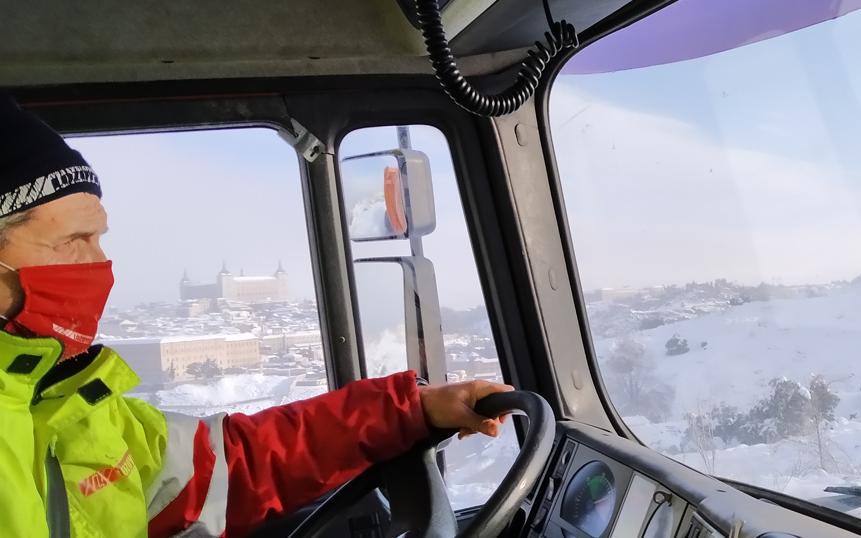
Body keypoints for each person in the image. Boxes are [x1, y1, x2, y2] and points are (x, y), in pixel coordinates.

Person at [0, 95, 510, 537]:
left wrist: (409, 410)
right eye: (72, 241)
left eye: (98, 239)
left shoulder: (67, 403)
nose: (99, 266)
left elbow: (226, 469)